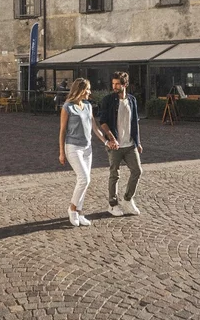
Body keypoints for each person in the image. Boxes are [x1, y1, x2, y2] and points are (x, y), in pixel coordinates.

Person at [58, 78, 108, 227]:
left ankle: (79, 212)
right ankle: (72, 209)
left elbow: (94, 127)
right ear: (80, 90)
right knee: (84, 178)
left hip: (87, 148)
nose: (90, 92)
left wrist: (105, 141)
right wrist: (61, 152)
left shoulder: (87, 106)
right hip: (73, 147)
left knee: (86, 180)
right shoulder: (67, 107)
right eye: (88, 89)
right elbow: (62, 131)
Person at [97, 72, 143, 216]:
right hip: (114, 145)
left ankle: (128, 199)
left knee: (137, 170)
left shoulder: (132, 100)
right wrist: (111, 139)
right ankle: (113, 204)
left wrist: (138, 142)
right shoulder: (108, 100)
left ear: (125, 84)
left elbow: (135, 122)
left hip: (130, 145)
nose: (115, 87)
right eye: (113, 84)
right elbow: (103, 122)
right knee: (114, 174)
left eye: (117, 84)